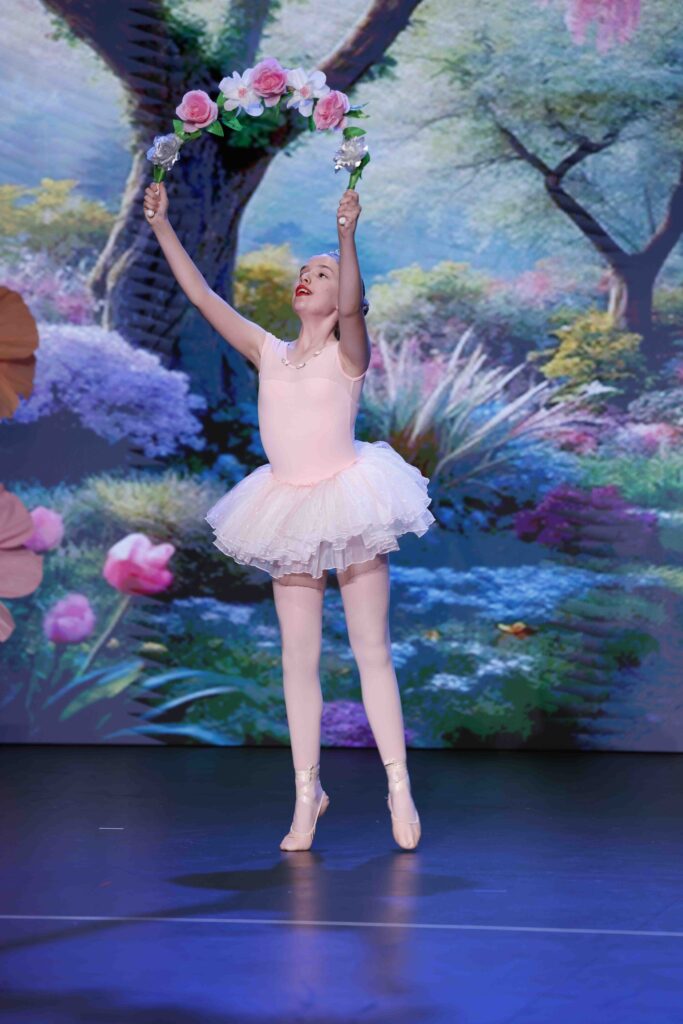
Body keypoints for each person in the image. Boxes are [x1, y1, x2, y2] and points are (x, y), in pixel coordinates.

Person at [143, 179, 436, 852]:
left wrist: (346, 236)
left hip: (350, 503)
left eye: (322, 274)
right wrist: (161, 226)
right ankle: (308, 795)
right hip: (287, 511)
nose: (308, 278)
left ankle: (398, 786)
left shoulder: (348, 354)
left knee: (370, 650)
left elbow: (353, 308)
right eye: (304, 272)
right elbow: (202, 296)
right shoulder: (268, 352)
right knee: (296, 659)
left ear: (343, 295)